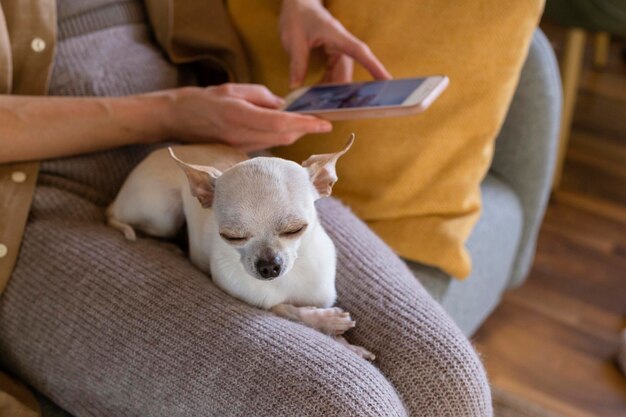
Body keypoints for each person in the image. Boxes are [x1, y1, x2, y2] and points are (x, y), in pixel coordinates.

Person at [0, 0, 492, 416]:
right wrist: (170, 110)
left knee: (448, 377)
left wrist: (297, 5)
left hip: (235, 168)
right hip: (38, 198)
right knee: (344, 404)